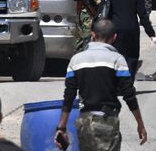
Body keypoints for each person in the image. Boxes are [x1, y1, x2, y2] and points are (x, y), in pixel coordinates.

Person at [55, 19, 147, 151]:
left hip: (84, 122)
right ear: (114, 37)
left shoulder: (76, 60)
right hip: (107, 121)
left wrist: (61, 128)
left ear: (92, 35)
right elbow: (129, 94)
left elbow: (69, 96)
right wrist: (140, 123)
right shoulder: (117, 59)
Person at [110, 0, 156, 82]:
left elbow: (104, 10)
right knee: (131, 57)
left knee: (114, 56)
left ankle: (115, 84)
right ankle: (128, 84)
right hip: (131, 29)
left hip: (114, 29)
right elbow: (143, 15)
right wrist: (150, 32)